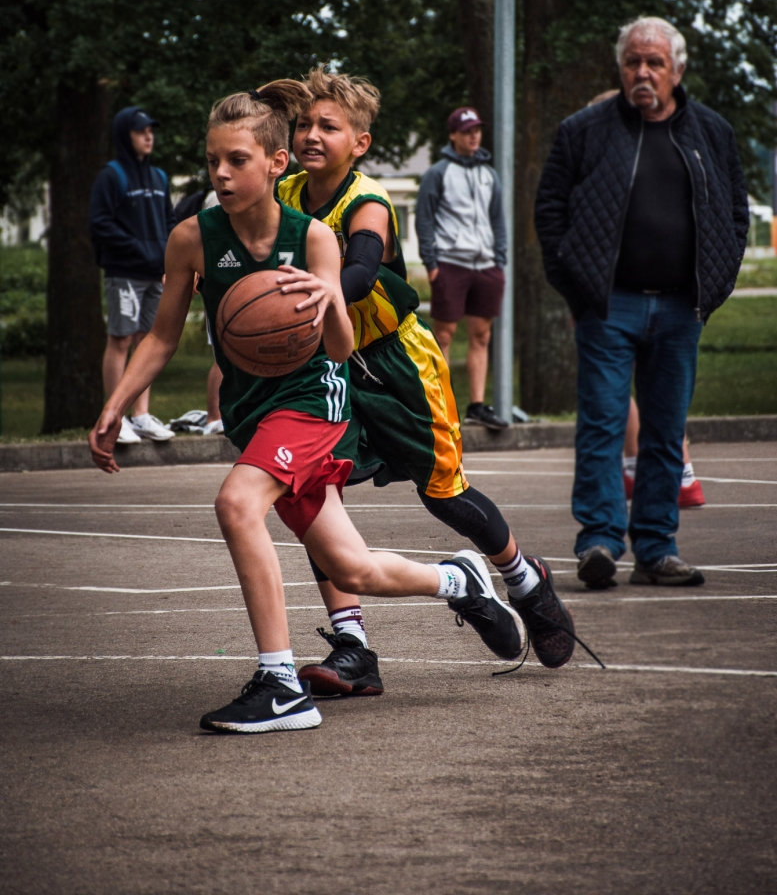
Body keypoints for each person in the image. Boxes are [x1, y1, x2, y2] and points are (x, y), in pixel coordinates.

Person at [89, 82, 527, 735]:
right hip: (253, 412)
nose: (221, 174)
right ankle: (458, 580)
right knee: (353, 567)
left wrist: (326, 303)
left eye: (237, 160)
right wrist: (115, 406)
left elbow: (344, 348)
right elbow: (160, 338)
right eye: (213, 161)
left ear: (275, 163)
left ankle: (279, 683)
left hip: (314, 403)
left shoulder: (315, 238)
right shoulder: (192, 238)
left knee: (236, 503)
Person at [278, 69, 580, 697]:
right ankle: (354, 647)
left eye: (328, 126)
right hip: (329, 366)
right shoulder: (282, 193)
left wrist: (315, 293)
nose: (311, 134)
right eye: (304, 123)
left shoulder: (367, 201)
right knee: (315, 498)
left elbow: (360, 268)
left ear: (359, 142)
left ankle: (526, 582)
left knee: (443, 495)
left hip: (397, 364)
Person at [535, 16, 748, 589]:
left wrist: (715, 287)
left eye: (654, 62)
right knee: (602, 425)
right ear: (621, 67)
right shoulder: (585, 130)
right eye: (633, 62)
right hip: (609, 306)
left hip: (682, 309)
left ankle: (656, 548)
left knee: (664, 430)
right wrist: (579, 289)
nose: (643, 72)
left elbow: (735, 214)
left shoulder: (712, 132)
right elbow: (550, 211)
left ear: (678, 69)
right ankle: (599, 542)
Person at [588, 93, 705, 510]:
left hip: (639, 295)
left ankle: (670, 471)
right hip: (633, 293)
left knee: (640, 386)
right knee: (642, 386)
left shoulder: (638, 164)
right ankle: (663, 470)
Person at [415, 107, 508, 430]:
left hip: (486, 266)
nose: (474, 135)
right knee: (444, 334)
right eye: (467, 130)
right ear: (453, 135)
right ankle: (440, 404)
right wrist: (431, 263)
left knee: (481, 335)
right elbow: (424, 219)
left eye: (477, 130)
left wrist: (500, 259)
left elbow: (498, 218)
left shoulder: (489, 174)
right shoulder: (438, 173)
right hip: (450, 264)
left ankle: (477, 406)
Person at [89, 107, 176, 443]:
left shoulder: (159, 178)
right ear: (126, 135)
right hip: (124, 273)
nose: (149, 136)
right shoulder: (111, 176)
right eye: (142, 131)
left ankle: (140, 416)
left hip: (155, 274)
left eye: (151, 130)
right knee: (121, 339)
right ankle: (115, 417)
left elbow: (169, 222)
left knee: (147, 341)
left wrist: (168, 258)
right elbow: (100, 224)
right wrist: (140, 249)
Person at [170, 186, 224, 435]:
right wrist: (194, 271)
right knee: (223, 357)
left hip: (244, 292)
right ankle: (214, 417)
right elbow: (207, 243)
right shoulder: (218, 199)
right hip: (222, 291)